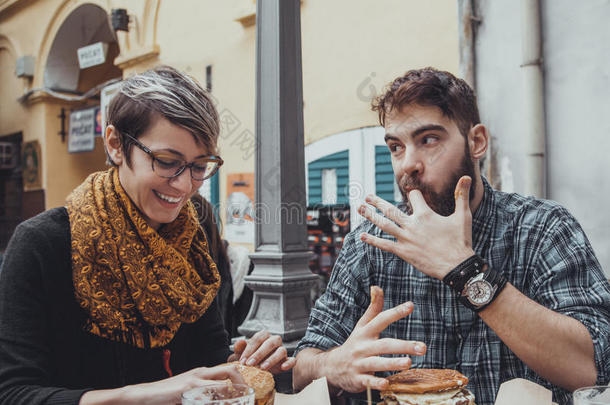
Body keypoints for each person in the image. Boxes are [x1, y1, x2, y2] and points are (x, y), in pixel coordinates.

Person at [292, 67, 610, 405]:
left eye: (428, 139)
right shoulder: (369, 246)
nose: (407, 165)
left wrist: (464, 268)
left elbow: (593, 367)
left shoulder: (543, 229)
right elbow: (301, 369)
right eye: (396, 147)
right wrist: (333, 363)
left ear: (476, 142)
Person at [0, 66, 294, 405]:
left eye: (199, 167)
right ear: (115, 145)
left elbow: (208, 359)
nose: (185, 186)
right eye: (167, 161)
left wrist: (241, 367)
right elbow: (14, 394)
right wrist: (144, 395)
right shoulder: (41, 246)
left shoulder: (193, 245)